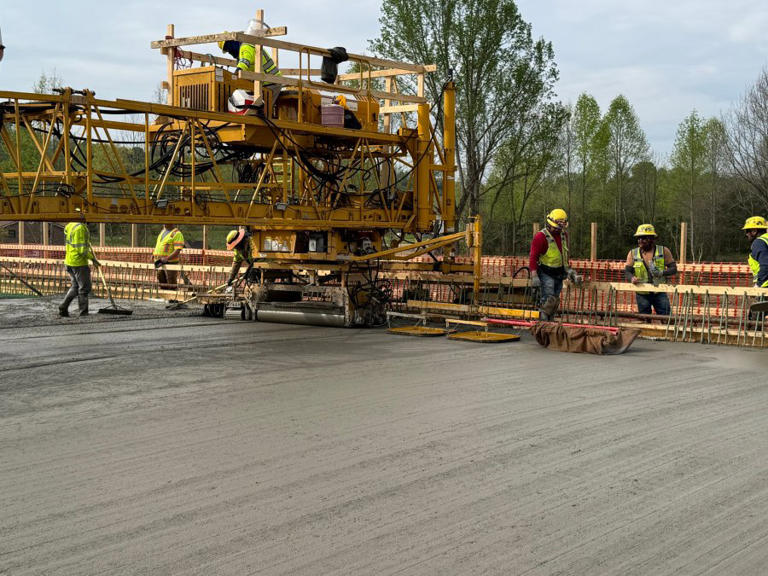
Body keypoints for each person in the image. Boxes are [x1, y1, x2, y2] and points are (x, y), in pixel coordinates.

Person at [529, 209, 582, 321]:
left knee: (555, 301)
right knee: (548, 300)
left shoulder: (563, 235)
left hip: (559, 273)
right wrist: (534, 276)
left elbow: (563, 256)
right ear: (550, 224)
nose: (559, 229)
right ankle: (544, 325)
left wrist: (570, 273)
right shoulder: (540, 237)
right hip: (546, 272)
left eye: (561, 227)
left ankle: (550, 323)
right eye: (557, 227)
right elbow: (533, 257)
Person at [624, 223, 677, 316]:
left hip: (659, 291)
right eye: (638, 238)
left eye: (644, 238)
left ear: (652, 239)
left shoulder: (663, 251)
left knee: (666, 318)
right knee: (644, 319)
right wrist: (632, 278)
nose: (640, 240)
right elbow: (627, 271)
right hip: (642, 293)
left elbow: (673, 269)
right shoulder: (633, 253)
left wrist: (661, 273)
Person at [218, 36, 282, 108]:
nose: (229, 52)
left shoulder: (246, 47)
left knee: (263, 110)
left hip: (272, 83)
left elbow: (244, 63)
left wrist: (234, 75)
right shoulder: (242, 51)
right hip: (263, 83)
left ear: (231, 43)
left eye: (227, 48)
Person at [59, 222, 99, 317]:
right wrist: (93, 259)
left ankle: (63, 306)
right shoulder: (80, 228)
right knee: (84, 288)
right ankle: (83, 312)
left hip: (70, 261)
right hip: (79, 263)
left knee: (76, 286)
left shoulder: (71, 225)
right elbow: (81, 250)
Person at [153, 224, 184, 290]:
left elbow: (177, 250)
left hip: (170, 262)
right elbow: (160, 245)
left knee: (171, 281)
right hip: (160, 262)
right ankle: (164, 295)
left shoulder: (177, 233)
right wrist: (154, 254)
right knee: (161, 279)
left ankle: (172, 296)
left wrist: (167, 258)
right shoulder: (162, 231)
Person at [742, 216, 768, 287]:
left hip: (765, 287)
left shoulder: (759, 242)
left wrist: (758, 285)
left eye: (747, 231)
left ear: (754, 231)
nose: (746, 234)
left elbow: (765, 265)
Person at [225, 227, 254, 291]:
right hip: (253, 266)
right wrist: (230, 279)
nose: (235, 247)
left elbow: (259, 259)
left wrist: (251, 270)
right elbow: (236, 263)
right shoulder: (238, 250)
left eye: (235, 245)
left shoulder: (253, 242)